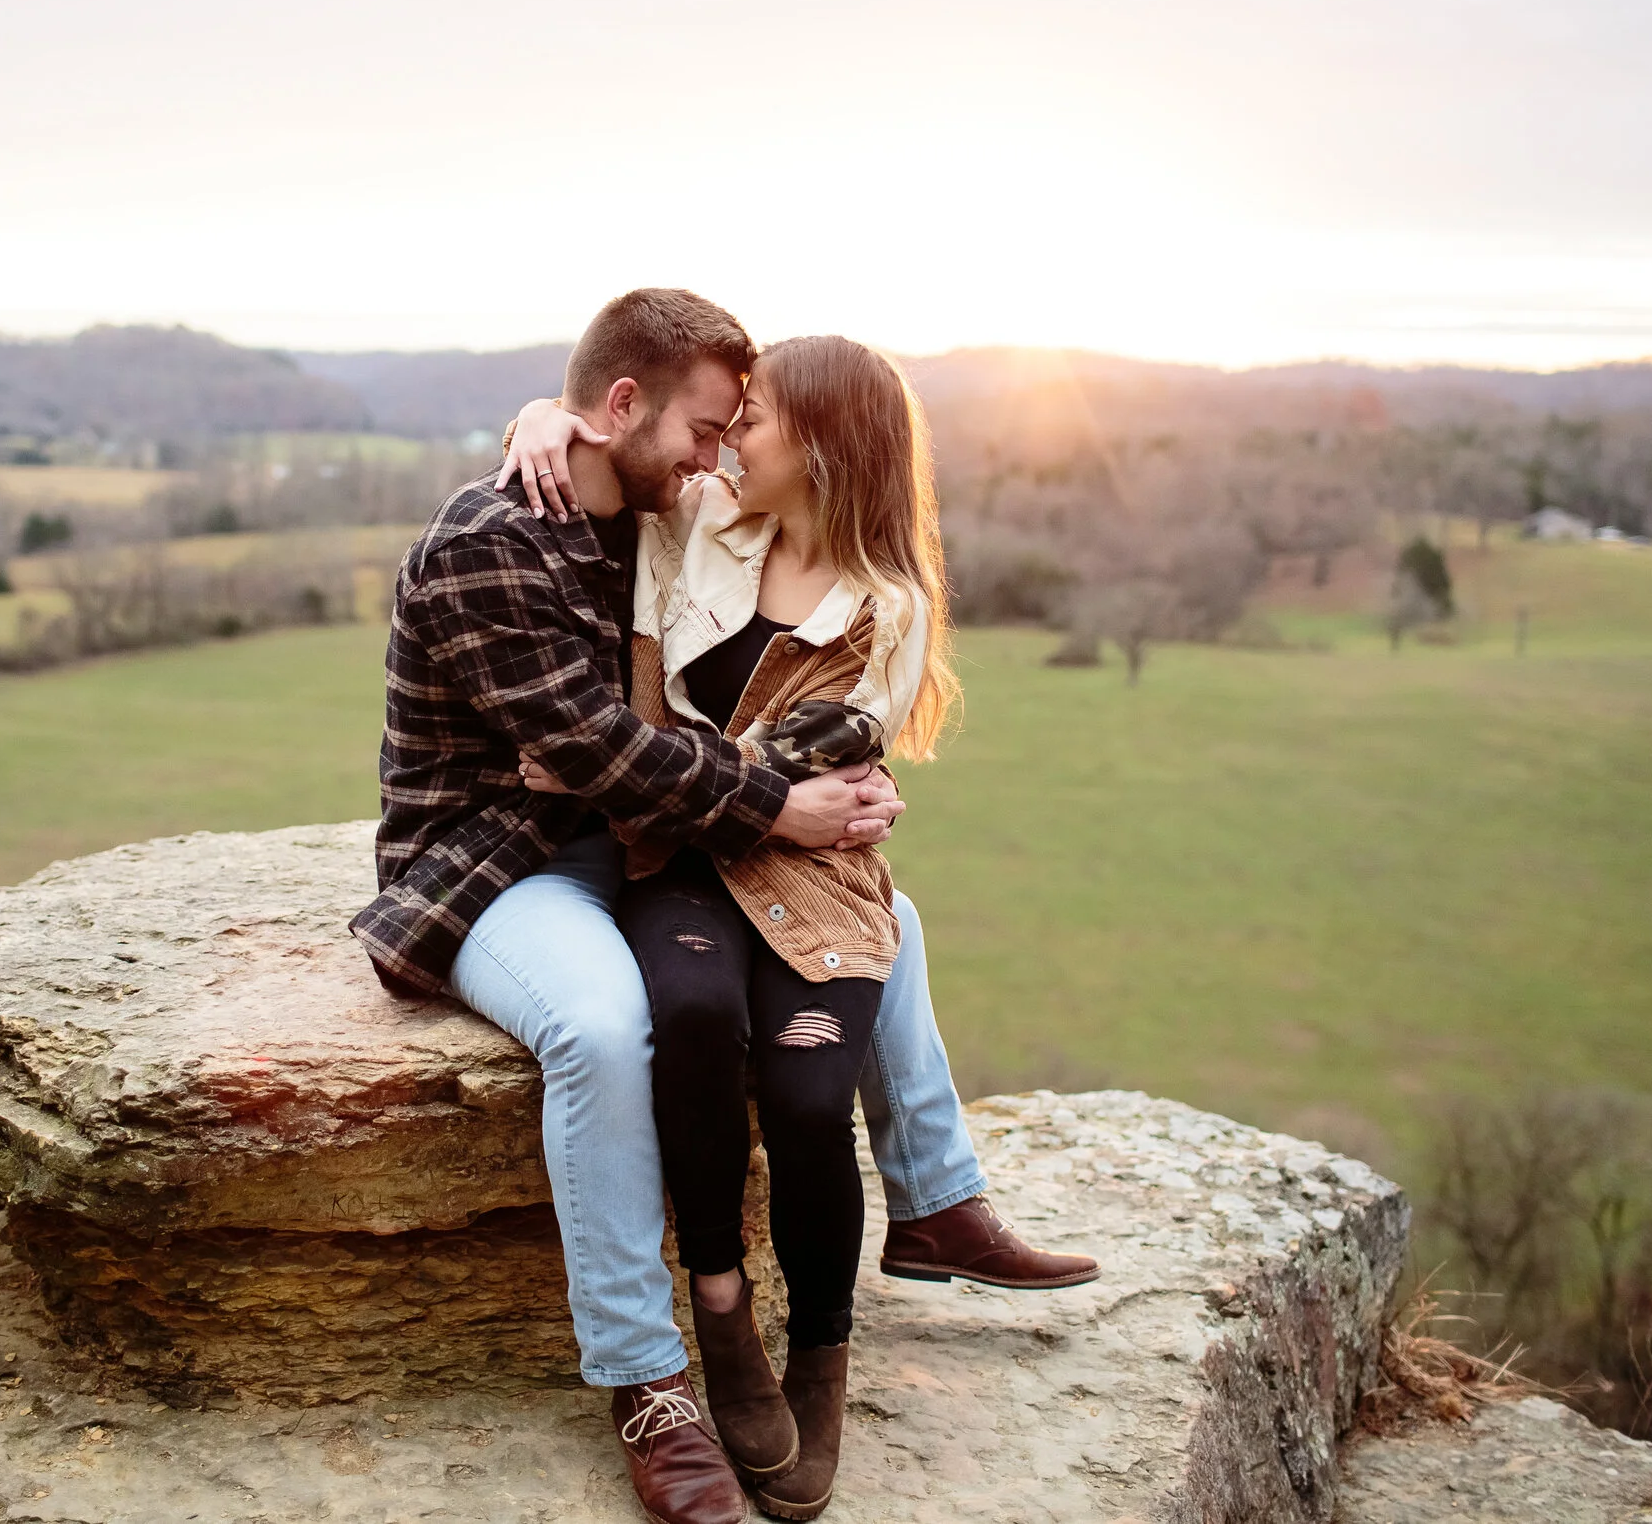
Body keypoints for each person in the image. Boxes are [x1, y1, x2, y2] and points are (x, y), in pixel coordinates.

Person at [352, 289, 1097, 1524]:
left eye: (734, 428)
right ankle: (649, 1380)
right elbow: (593, 748)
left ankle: (936, 1196)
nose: (717, 451)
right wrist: (771, 804)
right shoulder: (490, 538)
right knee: (600, 1029)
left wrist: (549, 416)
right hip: (497, 862)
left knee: (878, 918)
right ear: (628, 410)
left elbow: (622, 750)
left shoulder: (639, 507)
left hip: (626, 836)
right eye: (705, 427)